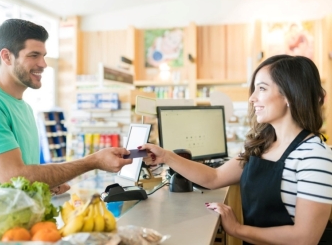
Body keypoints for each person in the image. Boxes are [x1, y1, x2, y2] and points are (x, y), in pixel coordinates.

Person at [141, 55, 332, 245]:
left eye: (262, 89)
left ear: (290, 95)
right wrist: (166, 156)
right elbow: (214, 177)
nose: (252, 98)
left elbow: (305, 238)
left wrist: (236, 229)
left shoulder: (314, 155)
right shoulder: (263, 144)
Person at [0, 19, 132, 209]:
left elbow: (24, 178)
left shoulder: (24, 108)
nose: (43, 64)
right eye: (34, 55)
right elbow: (14, 176)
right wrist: (92, 161)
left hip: (19, 230)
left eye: (44, 55)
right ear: (6, 57)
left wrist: (46, 184)